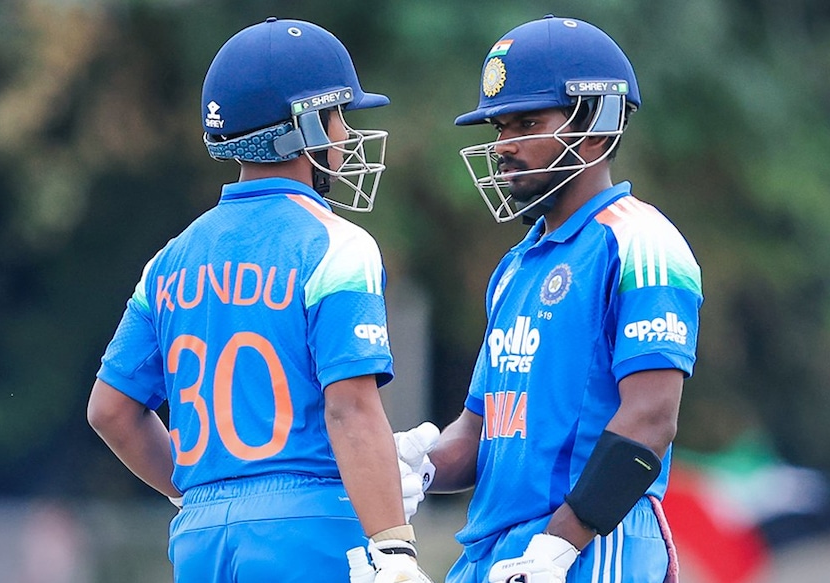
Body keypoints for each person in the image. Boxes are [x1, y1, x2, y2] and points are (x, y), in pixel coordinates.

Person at [86, 17, 433, 583]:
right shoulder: (337, 244)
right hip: (308, 528)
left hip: (200, 537)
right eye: (338, 115)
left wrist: (205, 490)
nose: (345, 133)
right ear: (304, 126)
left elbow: (110, 410)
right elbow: (349, 409)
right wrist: (392, 548)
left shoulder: (170, 259)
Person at [394, 15, 703, 583]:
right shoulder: (514, 269)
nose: (505, 148)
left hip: (592, 547)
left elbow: (652, 418)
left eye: (527, 124)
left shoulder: (640, 240)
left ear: (597, 127)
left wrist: (558, 547)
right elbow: (481, 429)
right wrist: (421, 466)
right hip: (495, 549)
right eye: (499, 130)